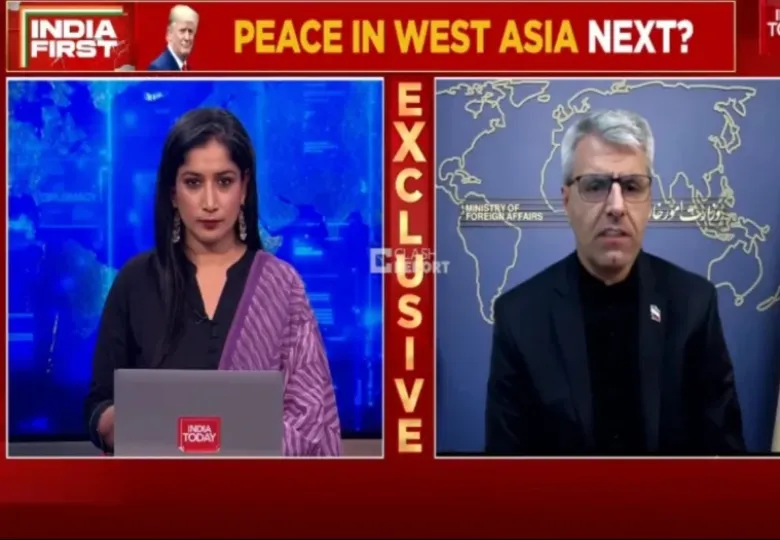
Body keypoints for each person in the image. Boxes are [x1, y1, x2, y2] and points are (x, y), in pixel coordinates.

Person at [484, 109, 745, 456]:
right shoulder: (519, 316)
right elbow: (505, 467)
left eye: (632, 186)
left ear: (649, 201)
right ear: (566, 201)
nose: (617, 206)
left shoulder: (694, 304)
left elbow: (725, 456)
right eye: (595, 186)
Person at [84, 108, 342, 456]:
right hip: (156, 485)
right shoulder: (135, 280)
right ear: (173, 192)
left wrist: (231, 445)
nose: (209, 202)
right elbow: (99, 403)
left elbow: (311, 419)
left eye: (224, 182)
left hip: (256, 488)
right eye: (193, 183)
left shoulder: (282, 285)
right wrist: (117, 423)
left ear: (244, 187)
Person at [148, 5, 198, 71]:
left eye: (190, 31)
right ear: (170, 33)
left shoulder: (186, 69)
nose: (187, 37)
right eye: (182, 30)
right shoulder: (158, 69)